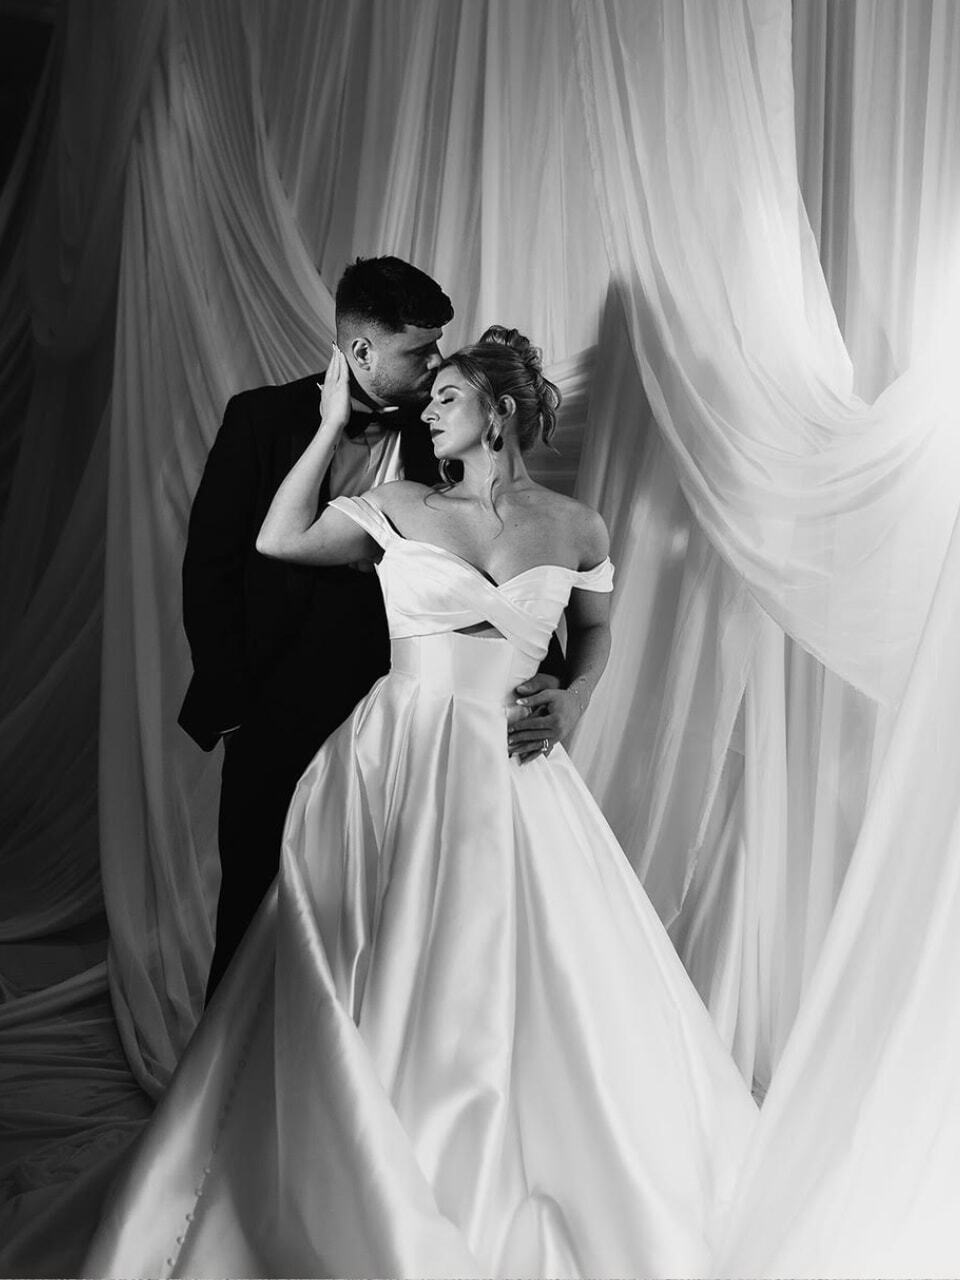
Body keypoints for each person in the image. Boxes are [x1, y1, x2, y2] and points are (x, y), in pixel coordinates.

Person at [86, 328, 756, 1279]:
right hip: (398, 759)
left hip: (516, 773)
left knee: (530, 975)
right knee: (388, 955)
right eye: (431, 394)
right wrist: (325, 428)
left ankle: (511, 1163)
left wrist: (575, 695)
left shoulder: (576, 526)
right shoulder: (400, 503)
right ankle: (362, 1164)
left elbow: (595, 628)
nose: (429, 409)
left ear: (503, 411)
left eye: (448, 395)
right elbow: (279, 539)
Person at [178, 258, 561, 999]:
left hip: (398, 713)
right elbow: (213, 568)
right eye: (419, 351)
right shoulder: (260, 420)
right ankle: (225, 1098)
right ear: (360, 353)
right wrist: (234, 709)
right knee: (258, 901)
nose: (436, 365)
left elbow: (505, 552)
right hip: (276, 707)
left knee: (387, 912)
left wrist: (556, 677)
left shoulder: (449, 426)